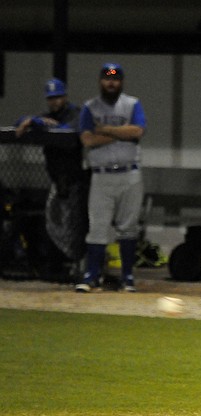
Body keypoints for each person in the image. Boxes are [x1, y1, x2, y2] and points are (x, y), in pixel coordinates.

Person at [75, 63, 147, 293]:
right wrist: (120, 133)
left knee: (128, 227)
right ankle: (91, 275)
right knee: (97, 227)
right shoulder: (90, 107)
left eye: (115, 79)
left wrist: (104, 130)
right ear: (100, 81)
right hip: (101, 175)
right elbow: (87, 140)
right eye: (107, 78)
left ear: (121, 82)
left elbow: (137, 132)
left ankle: (127, 277)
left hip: (130, 174)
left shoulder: (132, 103)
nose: (111, 82)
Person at [14, 78, 88, 278]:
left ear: (65, 96)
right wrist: (33, 120)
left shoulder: (77, 113)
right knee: (55, 224)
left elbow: (66, 131)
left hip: (78, 181)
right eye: (51, 98)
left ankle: (79, 267)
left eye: (58, 97)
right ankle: (61, 265)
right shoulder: (47, 117)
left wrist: (38, 123)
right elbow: (18, 123)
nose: (54, 102)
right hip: (58, 180)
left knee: (77, 226)